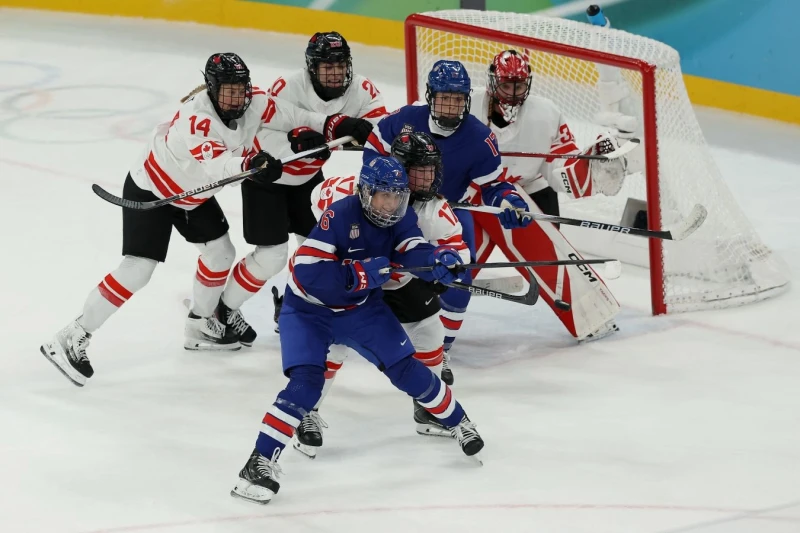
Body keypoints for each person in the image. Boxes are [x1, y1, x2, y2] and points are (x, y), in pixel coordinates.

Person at [38, 53, 339, 386]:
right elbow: (218, 166)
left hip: (192, 196)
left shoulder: (255, 102)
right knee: (138, 270)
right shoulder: (198, 118)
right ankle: (71, 336)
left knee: (220, 254)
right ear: (211, 89)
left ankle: (199, 324)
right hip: (153, 190)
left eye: (241, 89)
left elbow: (291, 114)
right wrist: (255, 165)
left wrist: (332, 126)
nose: (237, 98)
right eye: (228, 91)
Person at [230, 156, 483, 505]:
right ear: (365, 192)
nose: (391, 204)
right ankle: (257, 464)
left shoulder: (400, 213)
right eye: (384, 196)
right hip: (308, 311)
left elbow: (410, 246)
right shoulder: (340, 214)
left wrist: (434, 260)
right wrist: (360, 275)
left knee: (408, 370)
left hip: (361, 310)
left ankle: (459, 421)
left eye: (397, 196)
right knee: (306, 384)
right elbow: (306, 271)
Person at [290, 132, 471, 458]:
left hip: (398, 283)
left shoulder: (435, 212)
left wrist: (448, 269)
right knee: (335, 344)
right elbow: (318, 197)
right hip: (356, 281)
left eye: (431, 170)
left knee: (430, 332)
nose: (427, 179)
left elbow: (457, 252)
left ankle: (428, 410)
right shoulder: (349, 190)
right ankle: (307, 411)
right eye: (419, 171)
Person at [363, 60, 533, 385]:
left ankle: (441, 351)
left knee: (459, 274)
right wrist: (385, 186)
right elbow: (374, 148)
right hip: (397, 204)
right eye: (445, 97)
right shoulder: (406, 119)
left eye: (458, 99)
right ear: (430, 96)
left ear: (467, 100)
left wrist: (510, 202)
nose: (451, 105)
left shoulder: (480, 138)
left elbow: (494, 186)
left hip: (450, 208)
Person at [211, 31, 384, 345]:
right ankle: (219, 312)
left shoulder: (362, 89)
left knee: (320, 252)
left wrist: (343, 138)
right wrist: (295, 140)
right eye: (326, 66)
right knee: (271, 257)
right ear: (311, 67)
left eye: (340, 65)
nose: (334, 73)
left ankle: (293, 309)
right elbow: (258, 134)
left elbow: (378, 130)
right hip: (267, 182)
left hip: (307, 181)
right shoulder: (287, 88)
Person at [468, 49, 627, 340]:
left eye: (519, 85)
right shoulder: (467, 103)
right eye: (507, 85)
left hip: (531, 189)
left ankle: (590, 315)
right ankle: (426, 309)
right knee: (460, 254)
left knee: (547, 255)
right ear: (492, 82)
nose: (513, 93)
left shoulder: (546, 113)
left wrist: (590, 166)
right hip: (476, 192)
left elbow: (560, 166)